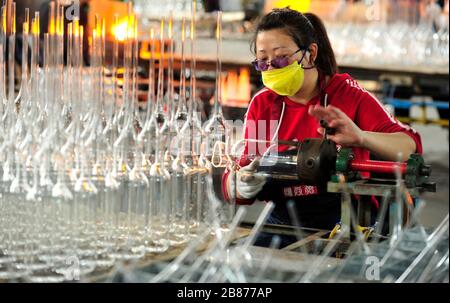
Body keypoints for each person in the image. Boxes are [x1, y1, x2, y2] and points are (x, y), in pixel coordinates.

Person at [221, 8, 423, 248]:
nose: (272, 67)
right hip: (282, 222)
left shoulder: (347, 96)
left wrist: (361, 137)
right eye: (263, 61)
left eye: (281, 57)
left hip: (345, 222)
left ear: (310, 53)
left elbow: (410, 147)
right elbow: (241, 172)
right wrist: (239, 184)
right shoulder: (263, 105)